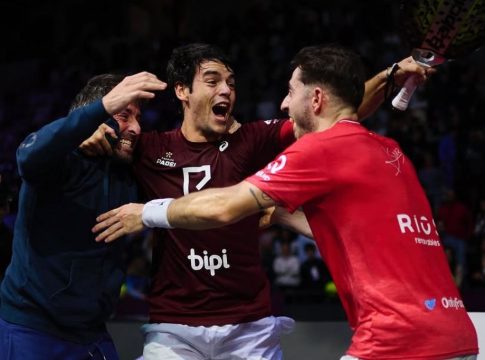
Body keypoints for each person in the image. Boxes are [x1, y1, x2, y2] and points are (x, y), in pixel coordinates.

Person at [94, 44, 478, 359]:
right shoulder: (389, 150)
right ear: (182, 91)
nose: (227, 90)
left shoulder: (264, 140)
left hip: (259, 329)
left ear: (312, 98)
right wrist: (89, 129)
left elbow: (329, 119)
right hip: (173, 328)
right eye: (212, 81)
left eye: (231, 81)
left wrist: (147, 213)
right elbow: (336, 117)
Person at [0, 72, 166, 359]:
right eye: (125, 114)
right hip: (32, 330)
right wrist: (86, 126)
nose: (136, 128)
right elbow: (27, 156)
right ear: (96, 114)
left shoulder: (129, 171)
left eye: (139, 118)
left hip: (92, 333)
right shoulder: (59, 160)